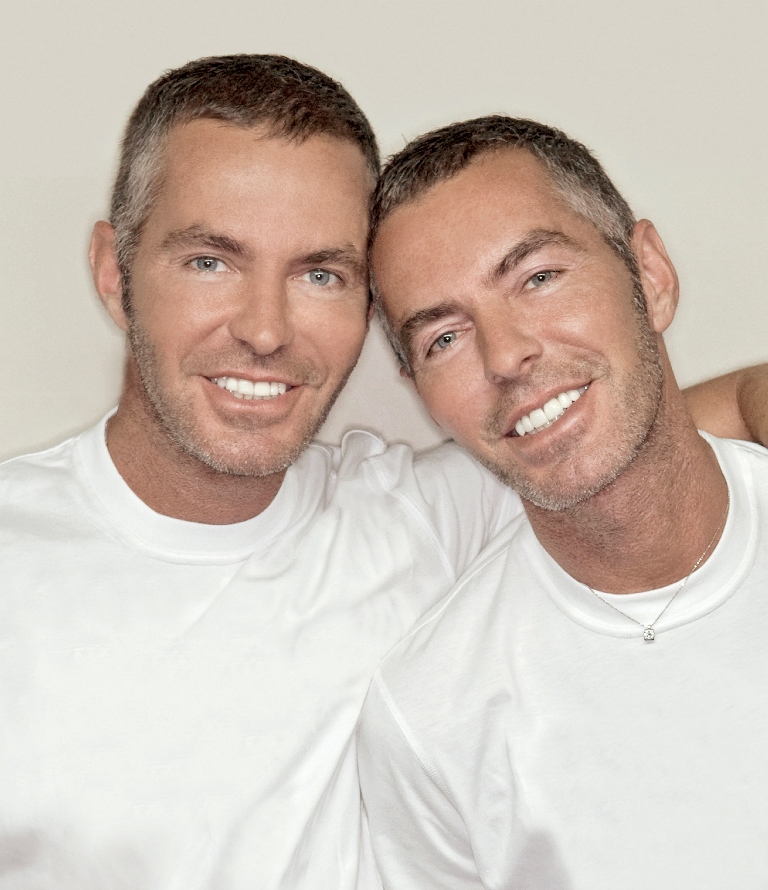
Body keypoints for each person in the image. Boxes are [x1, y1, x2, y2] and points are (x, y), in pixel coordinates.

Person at [0, 59, 763, 889]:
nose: (265, 331)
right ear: (115, 274)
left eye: (319, 274)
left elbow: (644, 419)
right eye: (210, 261)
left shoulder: (429, 512)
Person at [357, 115, 768, 888]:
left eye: (538, 278)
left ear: (650, 275)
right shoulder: (428, 717)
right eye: (443, 337)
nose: (507, 355)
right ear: (420, 392)